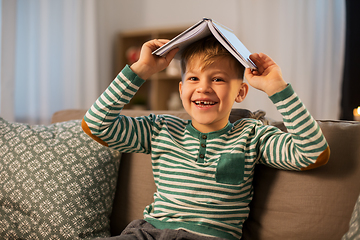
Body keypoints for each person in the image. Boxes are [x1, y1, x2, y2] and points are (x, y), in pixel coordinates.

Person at [82, 36, 330, 240]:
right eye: (193, 78)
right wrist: (142, 69)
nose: (203, 87)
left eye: (218, 79)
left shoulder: (252, 135)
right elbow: (96, 124)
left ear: (240, 92)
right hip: (148, 233)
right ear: (181, 90)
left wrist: (276, 87)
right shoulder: (160, 129)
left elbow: (312, 153)